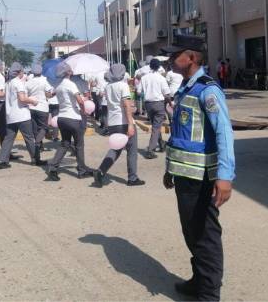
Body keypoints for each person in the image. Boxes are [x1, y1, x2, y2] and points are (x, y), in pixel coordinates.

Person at [161, 35, 235, 301]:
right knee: (191, 231)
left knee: (205, 236)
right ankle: (199, 280)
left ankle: (208, 294)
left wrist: (225, 177)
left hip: (202, 177)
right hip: (185, 174)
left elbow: (224, 133)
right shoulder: (186, 88)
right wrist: (171, 169)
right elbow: (182, 133)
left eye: (175, 54)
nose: (171, 59)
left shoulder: (208, 89)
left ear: (191, 57)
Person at [93, 64, 145, 188]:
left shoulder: (108, 86)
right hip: (124, 121)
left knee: (115, 150)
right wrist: (131, 124)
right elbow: (127, 105)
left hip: (113, 123)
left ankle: (100, 171)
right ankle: (132, 178)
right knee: (132, 151)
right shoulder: (123, 85)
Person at [46, 62, 94, 181]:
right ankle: (82, 170)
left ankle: (53, 167)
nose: (71, 70)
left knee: (65, 143)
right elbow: (80, 101)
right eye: (70, 69)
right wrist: (84, 111)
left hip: (61, 118)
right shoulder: (71, 84)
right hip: (73, 118)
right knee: (79, 145)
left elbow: (50, 94)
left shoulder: (59, 85)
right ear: (68, 72)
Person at [0, 62, 46, 169]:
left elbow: (3, 96)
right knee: (29, 138)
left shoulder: (8, 83)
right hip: (22, 115)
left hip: (10, 116)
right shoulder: (18, 83)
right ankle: (35, 159)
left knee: (8, 139)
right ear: (19, 72)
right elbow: (22, 98)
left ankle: (1, 161)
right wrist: (33, 101)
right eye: (22, 71)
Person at [139, 58, 172, 159]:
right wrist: (170, 102)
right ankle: (151, 150)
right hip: (158, 103)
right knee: (156, 127)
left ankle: (161, 144)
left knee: (155, 125)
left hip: (148, 104)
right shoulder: (161, 78)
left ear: (150, 66)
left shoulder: (144, 78)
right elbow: (167, 93)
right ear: (159, 67)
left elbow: (138, 92)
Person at [26, 63, 54, 156]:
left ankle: (40, 146)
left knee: (35, 129)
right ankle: (37, 144)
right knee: (44, 127)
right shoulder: (44, 80)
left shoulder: (28, 82)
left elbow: (26, 95)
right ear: (41, 71)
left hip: (31, 107)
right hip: (42, 107)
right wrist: (54, 93)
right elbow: (48, 95)